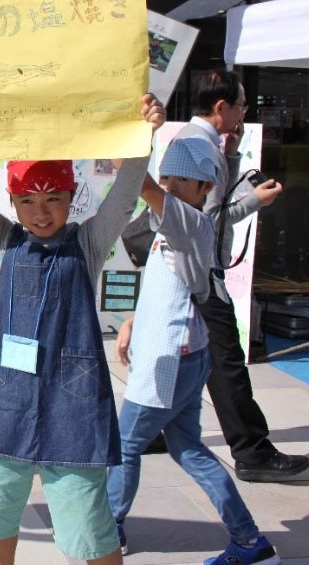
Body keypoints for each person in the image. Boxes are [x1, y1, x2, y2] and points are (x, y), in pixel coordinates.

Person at [0, 91, 166, 565]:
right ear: (12, 201)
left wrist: (144, 136)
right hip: (3, 398)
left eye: (53, 199)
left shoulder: (89, 242)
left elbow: (126, 195)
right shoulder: (3, 239)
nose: (41, 211)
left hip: (73, 400)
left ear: (72, 198)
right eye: (27, 200)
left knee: (88, 518)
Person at [107, 136, 279, 565]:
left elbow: (141, 184)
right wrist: (133, 321)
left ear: (204, 190)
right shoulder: (172, 224)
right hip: (181, 354)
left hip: (171, 361)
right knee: (188, 449)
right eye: (167, 175)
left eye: (182, 180)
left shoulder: (188, 222)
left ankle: (108, 531)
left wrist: (125, 135)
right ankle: (249, 542)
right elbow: (170, 288)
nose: (168, 185)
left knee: (124, 445)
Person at [171, 69, 307, 482]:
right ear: (221, 107)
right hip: (199, 275)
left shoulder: (194, 142)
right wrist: (255, 201)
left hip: (182, 271)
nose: (244, 114)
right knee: (226, 363)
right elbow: (205, 223)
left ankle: (156, 429)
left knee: (176, 357)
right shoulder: (200, 149)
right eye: (242, 106)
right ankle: (252, 451)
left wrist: (230, 155)